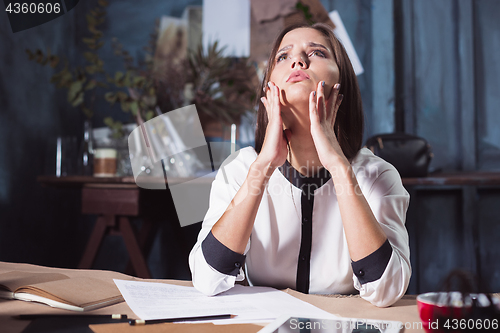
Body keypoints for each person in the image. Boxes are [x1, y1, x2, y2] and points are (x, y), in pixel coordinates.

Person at [189, 23, 411, 307]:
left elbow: (387, 290)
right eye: (283, 57)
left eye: (317, 52)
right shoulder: (240, 169)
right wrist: (263, 166)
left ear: (342, 88)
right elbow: (207, 279)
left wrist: (340, 168)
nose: (298, 61)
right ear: (268, 91)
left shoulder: (378, 175)